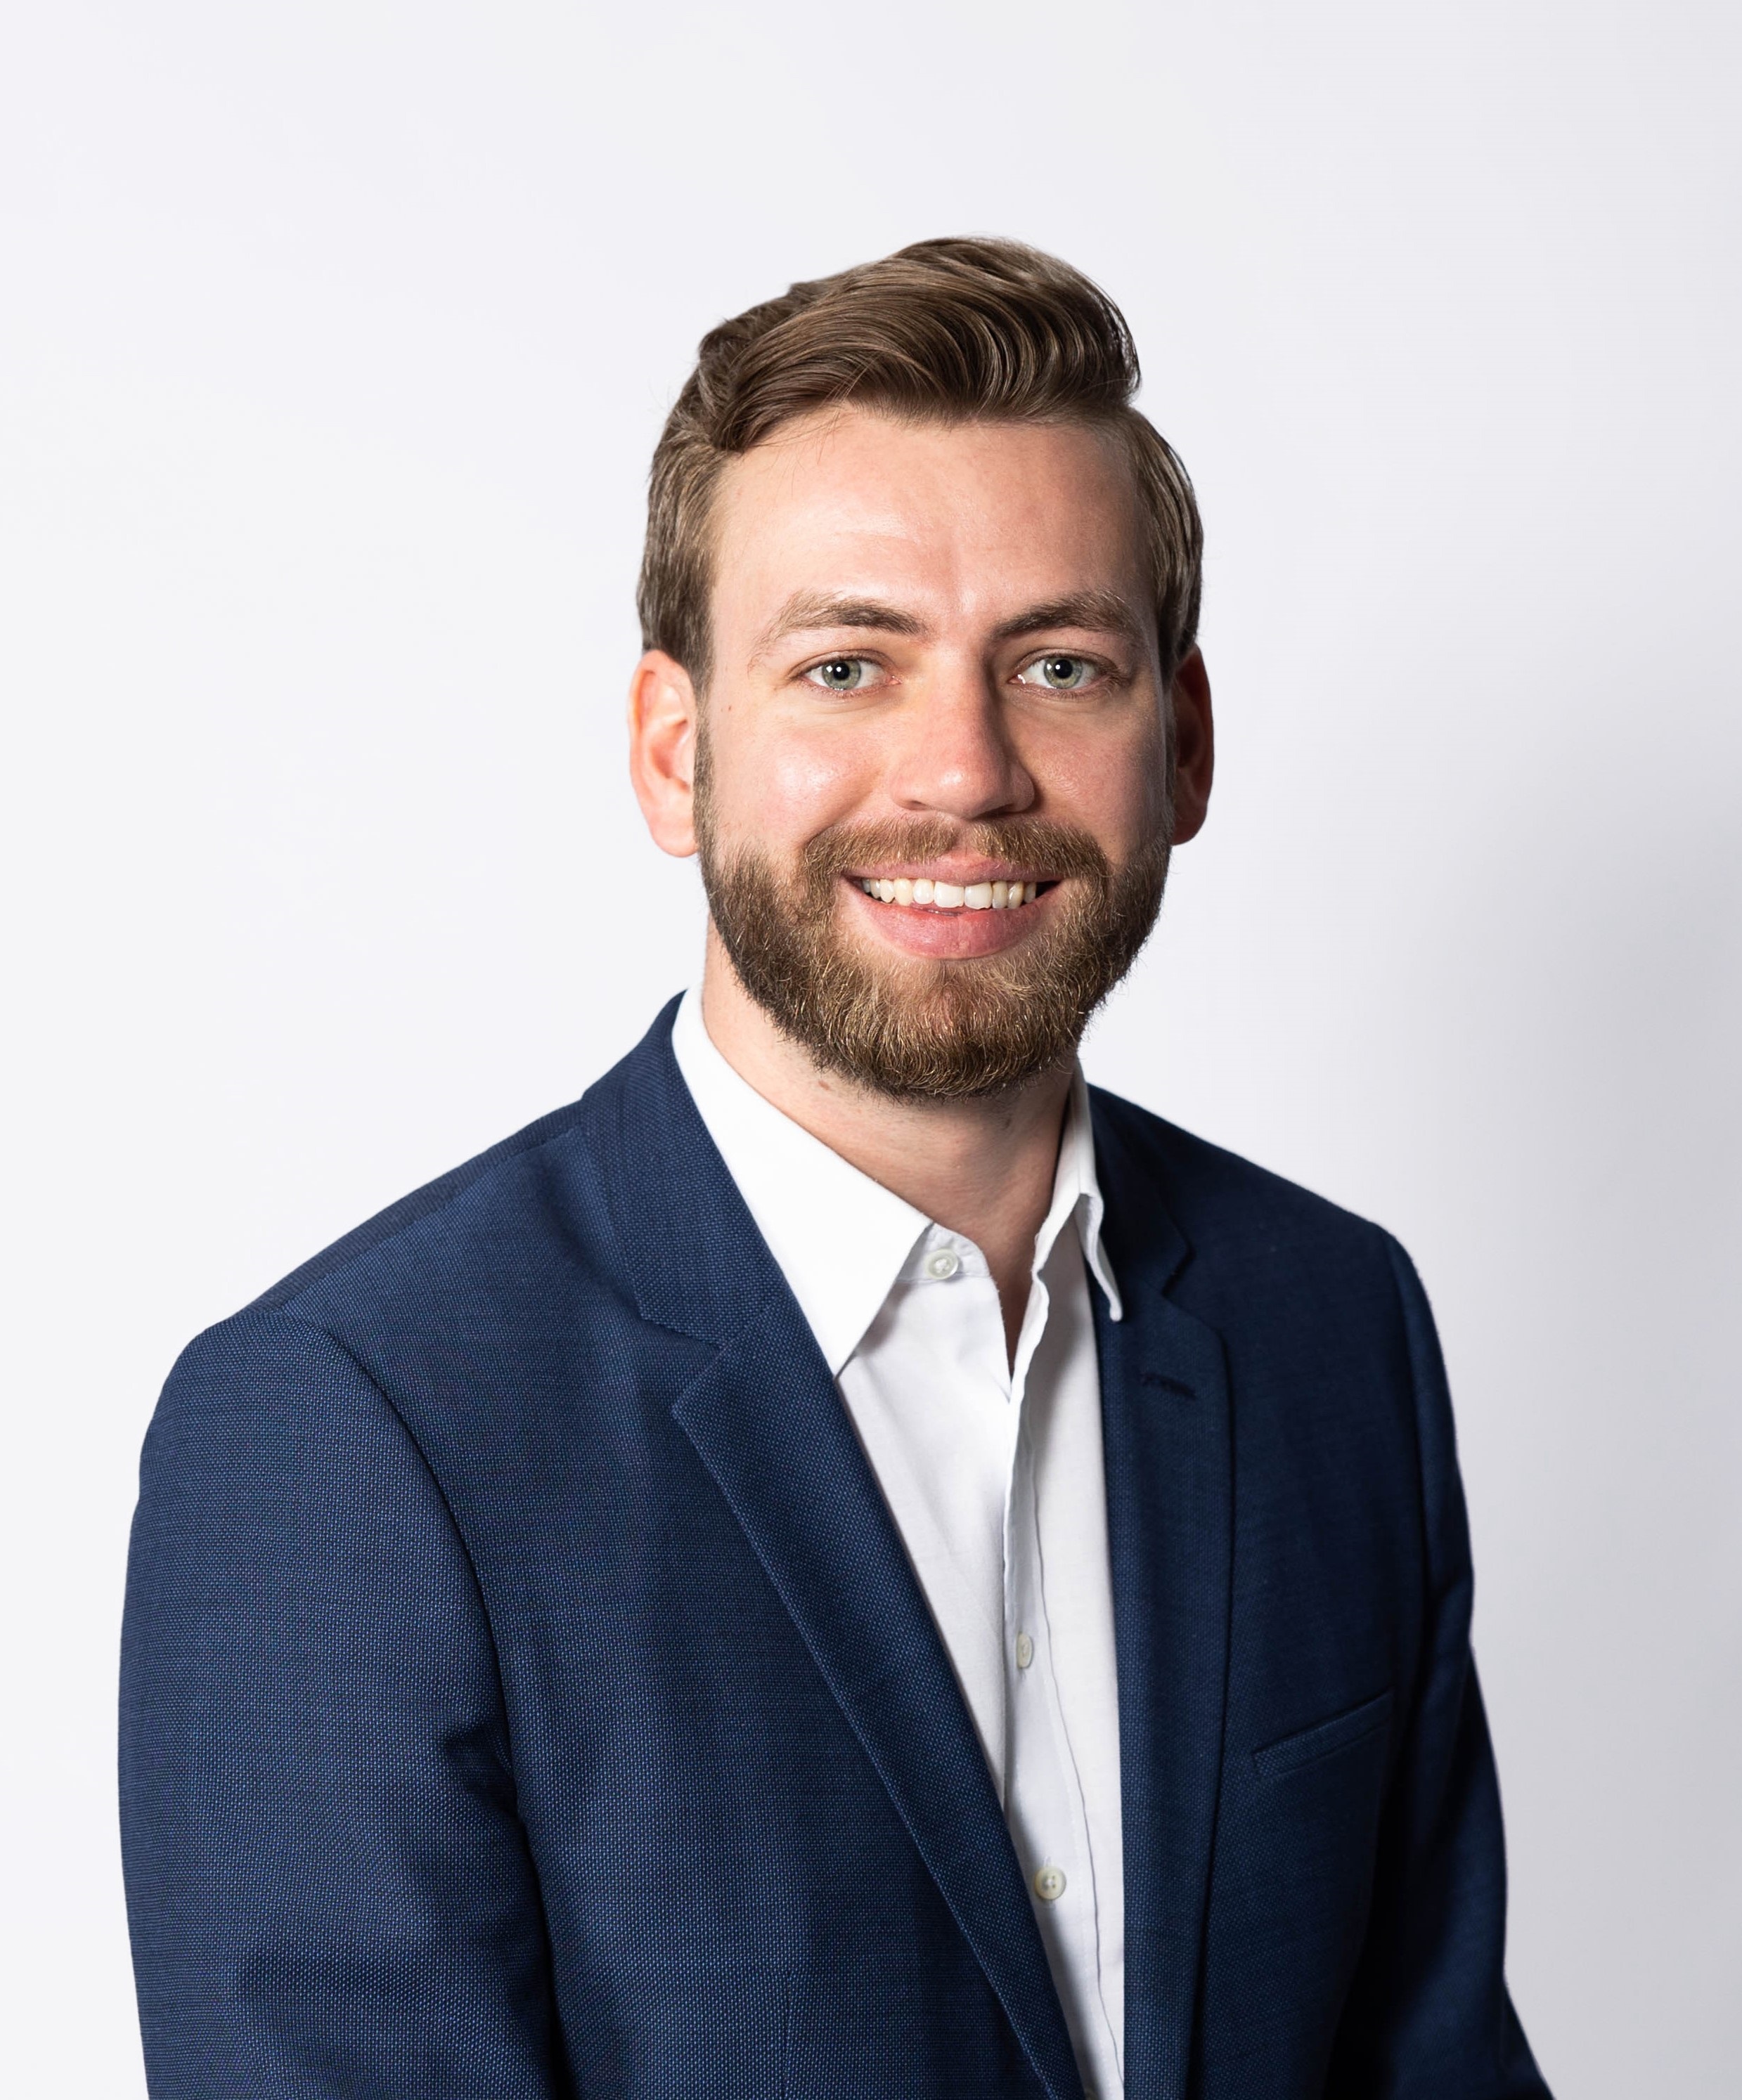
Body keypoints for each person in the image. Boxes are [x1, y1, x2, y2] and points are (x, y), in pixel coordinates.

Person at [120, 237, 1550, 2100]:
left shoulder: (1328, 1325)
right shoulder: (351, 1431)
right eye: (848, 664)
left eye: (1057, 661)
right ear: (674, 749)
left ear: (1181, 742)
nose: (961, 771)